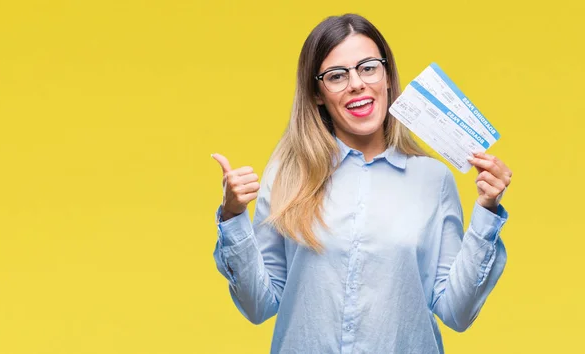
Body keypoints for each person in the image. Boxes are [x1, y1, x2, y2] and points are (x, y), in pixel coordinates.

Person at [211, 13, 512, 354]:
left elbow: (457, 312)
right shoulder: (287, 175)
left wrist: (487, 212)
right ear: (318, 94)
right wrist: (233, 216)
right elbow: (258, 306)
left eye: (368, 67)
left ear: (386, 77)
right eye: (337, 75)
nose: (356, 83)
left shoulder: (433, 179)